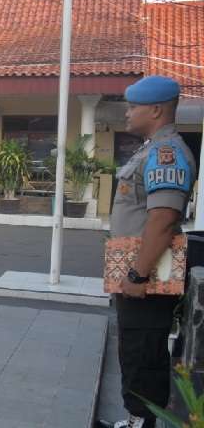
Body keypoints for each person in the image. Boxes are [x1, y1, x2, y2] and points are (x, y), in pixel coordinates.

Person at [97, 76, 194, 428]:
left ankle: (142, 421)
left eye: (133, 106)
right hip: (138, 271)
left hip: (148, 275)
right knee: (134, 348)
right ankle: (134, 419)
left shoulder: (167, 153)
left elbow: (163, 219)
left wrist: (137, 274)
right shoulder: (151, 149)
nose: (127, 112)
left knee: (144, 352)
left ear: (155, 110)